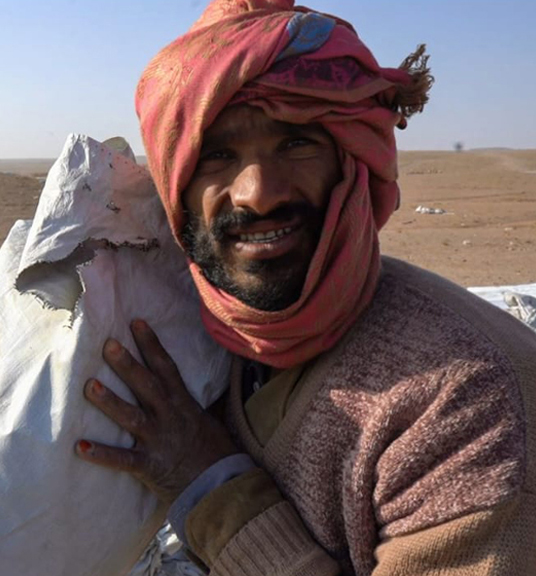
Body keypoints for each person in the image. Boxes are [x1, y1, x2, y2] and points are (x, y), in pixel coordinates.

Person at [74, 1, 536, 575]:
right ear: (178, 185)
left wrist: (212, 489)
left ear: (354, 167)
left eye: (296, 144)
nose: (257, 194)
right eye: (217, 154)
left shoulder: (468, 402)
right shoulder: (220, 339)